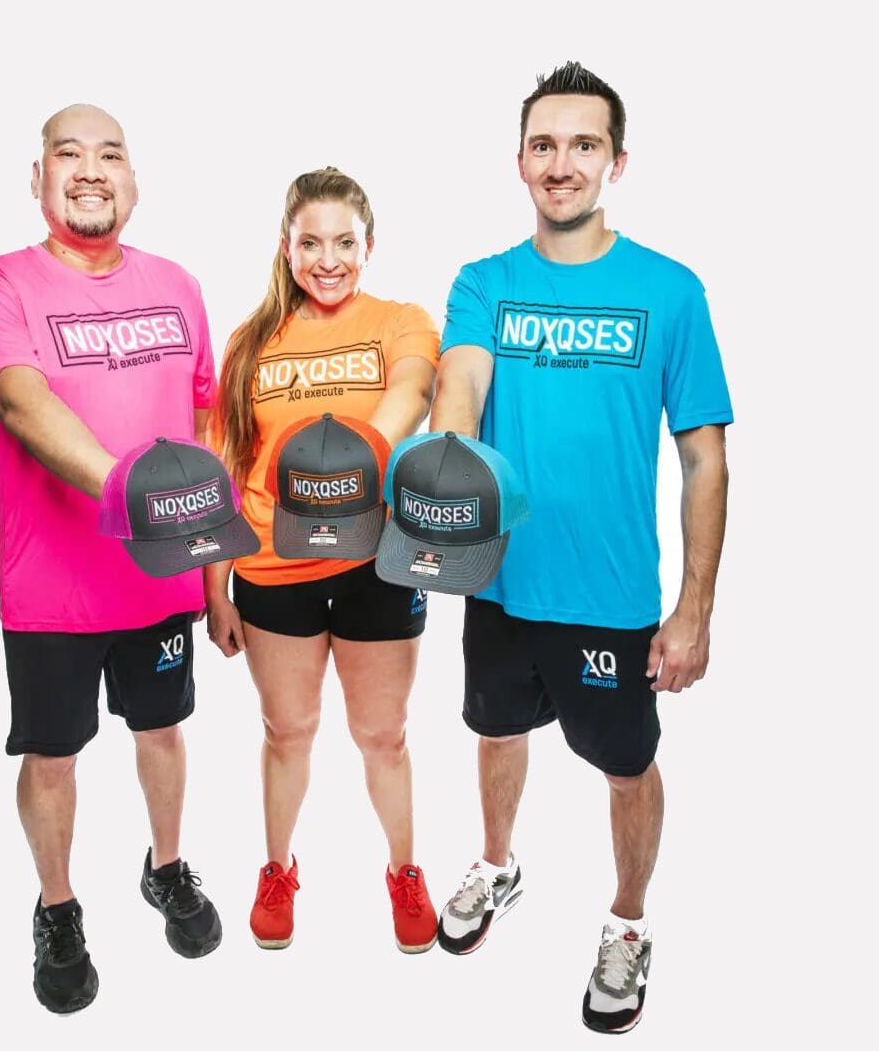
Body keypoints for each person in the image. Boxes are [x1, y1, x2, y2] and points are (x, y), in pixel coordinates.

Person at [429, 63, 732, 1033]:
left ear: (617, 161)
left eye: (584, 145)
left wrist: (693, 610)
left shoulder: (670, 292)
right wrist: (445, 454)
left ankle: (629, 922)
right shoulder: (484, 282)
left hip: (611, 598)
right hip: (500, 587)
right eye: (545, 145)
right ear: (520, 161)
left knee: (626, 764)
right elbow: (462, 386)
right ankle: (498, 862)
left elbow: (704, 462)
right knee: (494, 730)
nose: (562, 164)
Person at [0, 104, 223, 1014]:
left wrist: (216, 576)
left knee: (163, 731)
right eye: (70, 154)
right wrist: (131, 494)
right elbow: (22, 401)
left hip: (164, 588)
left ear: (135, 183)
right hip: (49, 595)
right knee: (54, 756)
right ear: (39, 180)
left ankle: (167, 866)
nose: (92, 169)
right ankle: (58, 907)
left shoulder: (179, 284)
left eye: (111, 155)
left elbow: (206, 425)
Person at [206, 168, 441, 952]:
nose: (328, 258)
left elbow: (413, 388)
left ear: (368, 245)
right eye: (311, 242)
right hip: (272, 569)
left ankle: (405, 872)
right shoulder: (250, 342)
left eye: (345, 242)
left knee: (384, 736)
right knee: (288, 731)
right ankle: (277, 869)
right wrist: (216, 589)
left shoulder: (400, 320)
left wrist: (360, 457)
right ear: (287, 246)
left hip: (376, 561)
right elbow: (224, 467)